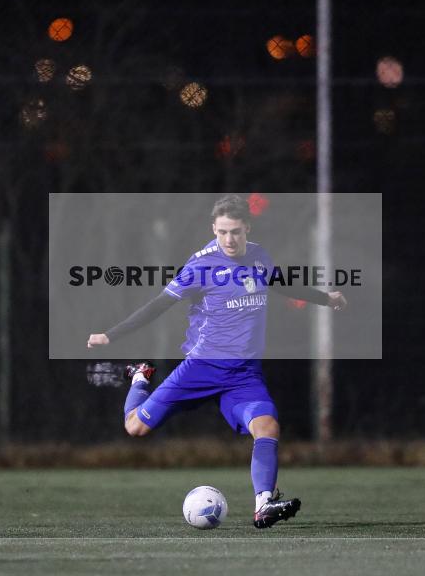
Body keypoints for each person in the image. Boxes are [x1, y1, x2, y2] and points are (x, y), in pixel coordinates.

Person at [87, 194, 346, 528]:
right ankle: (139, 376)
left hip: (243, 375)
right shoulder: (200, 265)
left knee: (267, 426)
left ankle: (264, 504)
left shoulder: (259, 257)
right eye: (223, 232)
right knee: (135, 427)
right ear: (214, 228)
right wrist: (111, 335)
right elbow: (158, 305)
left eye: (236, 231)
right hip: (201, 368)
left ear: (247, 228)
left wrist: (326, 298)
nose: (229, 239)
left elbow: (285, 286)